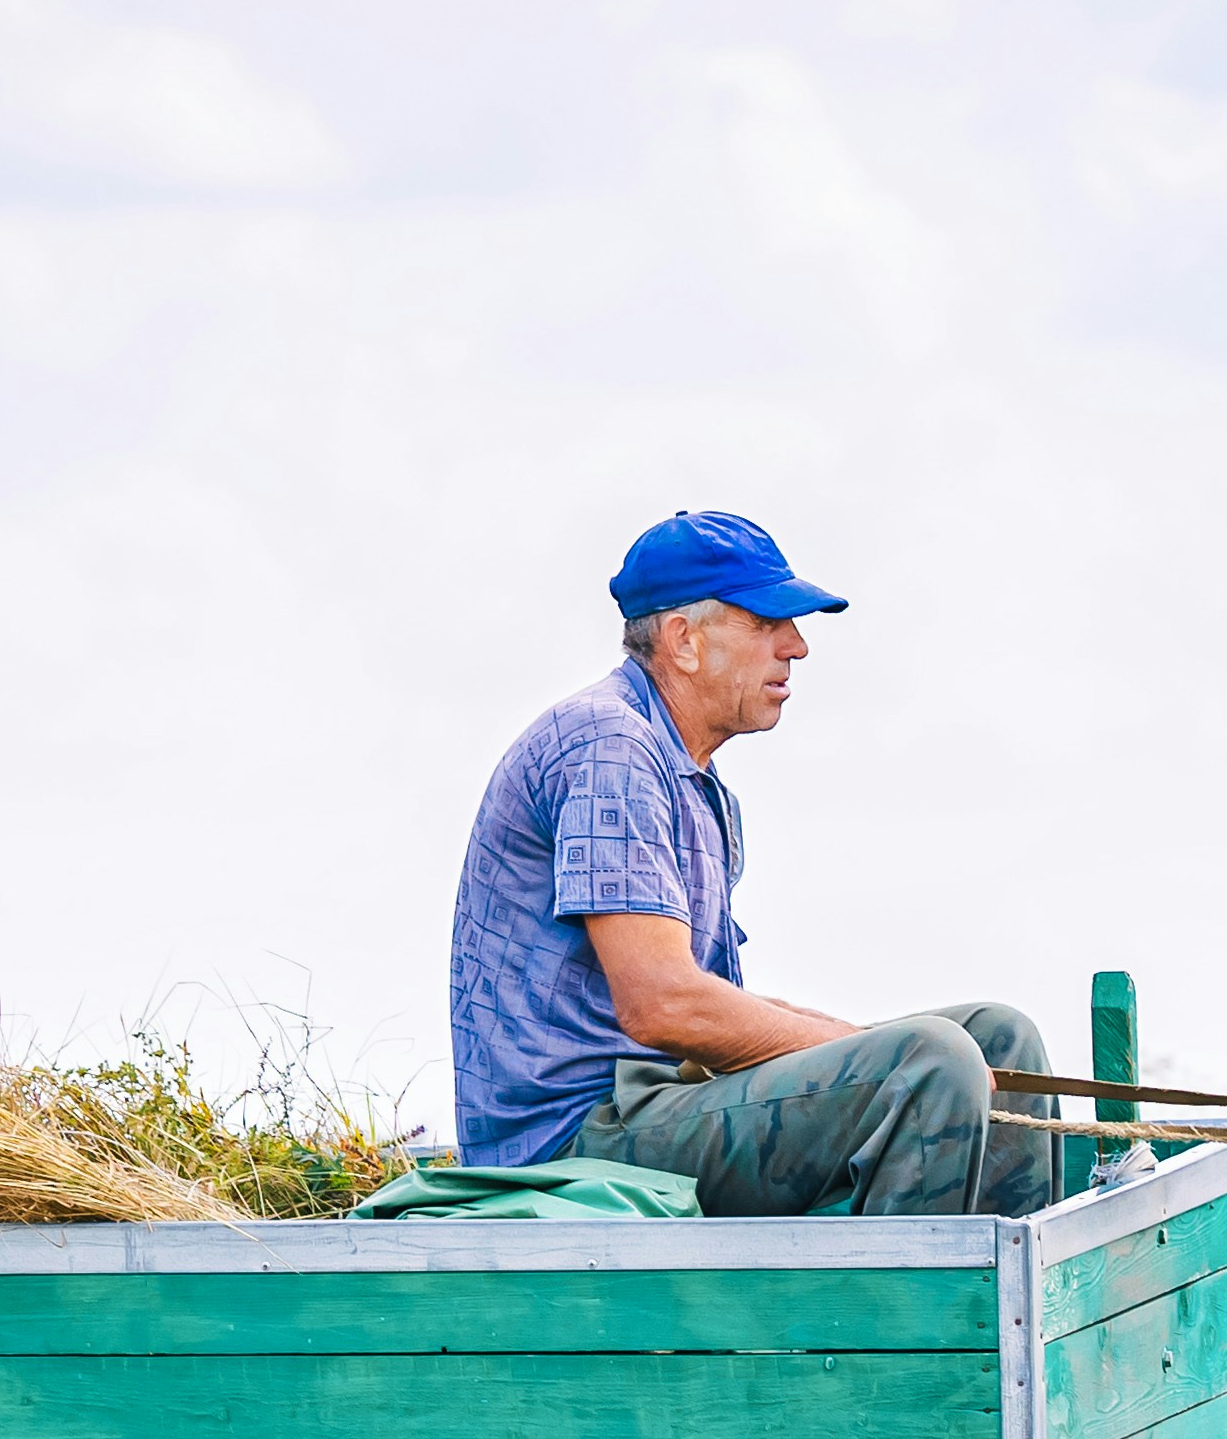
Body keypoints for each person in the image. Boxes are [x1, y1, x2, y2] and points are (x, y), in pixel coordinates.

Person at [444, 510, 1070, 1217]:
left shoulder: (690, 777)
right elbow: (662, 1004)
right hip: (570, 1142)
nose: (796, 646)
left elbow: (705, 1006)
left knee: (995, 1036)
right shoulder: (608, 745)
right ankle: (896, 1326)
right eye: (767, 622)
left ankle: (1001, 1310)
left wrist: (864, 1046)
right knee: (936, 1058)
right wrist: (881, 1055)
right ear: (683, 639)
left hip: (656, 1101)